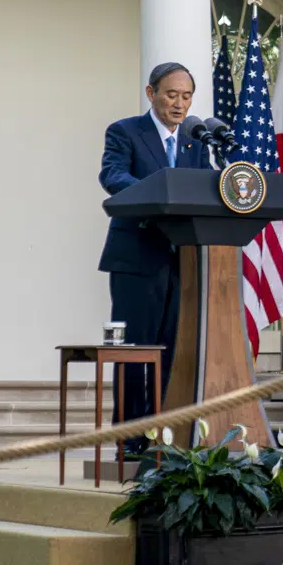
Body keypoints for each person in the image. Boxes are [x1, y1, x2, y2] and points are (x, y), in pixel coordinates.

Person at [98, 62, 207, 459]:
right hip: (137, 260)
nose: (179, 104)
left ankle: (164, 440)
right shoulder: (125, 131)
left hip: (184, 262)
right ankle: (130, 442)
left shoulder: (197, 142)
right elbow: (112, 176)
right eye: (171, 94)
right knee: (136, 353)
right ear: (151, 93)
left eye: (186, 96)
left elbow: (206, 188)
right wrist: (163, 192)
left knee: (172, 352)